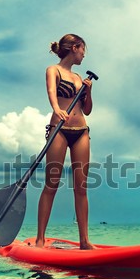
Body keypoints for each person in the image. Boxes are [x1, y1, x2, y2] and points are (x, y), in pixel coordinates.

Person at [35, 34, 96, 249]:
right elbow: (52, 91)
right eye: (83, 50)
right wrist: (56, 108)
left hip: (81, 131)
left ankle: (84, 241)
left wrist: (88, 92)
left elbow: (87, 109)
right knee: (51, 184)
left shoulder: (80, 78)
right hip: (58, 129)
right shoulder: (53, 70)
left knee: (81, 187)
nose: (84, 55)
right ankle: (40, 239)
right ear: (75, 47)